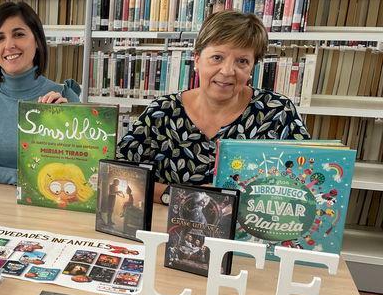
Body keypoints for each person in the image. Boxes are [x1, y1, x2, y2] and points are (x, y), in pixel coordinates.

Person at [114, 10, 310, 202]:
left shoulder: (278, 112)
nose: (227, 71)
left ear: (252, 68)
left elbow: (305, 179)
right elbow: (120, 174)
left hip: (246, 230)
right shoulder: (163, 111)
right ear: (197, 59)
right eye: (217, 57)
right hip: (171, 227)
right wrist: (180, 195)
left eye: (242, 61)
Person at [0, 2, 81, 185]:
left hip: (48, 206)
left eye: (19, 34)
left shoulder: (65, 97)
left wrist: (66, 125)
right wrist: (17, 177)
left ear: (37, 41)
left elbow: (86, 173)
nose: (9, 45)